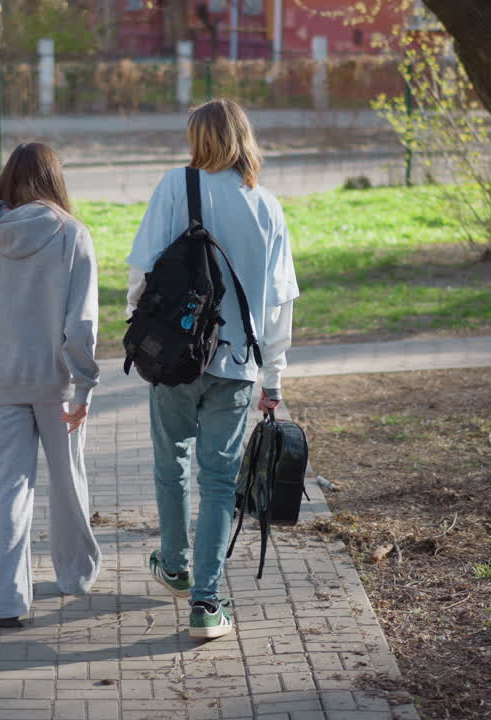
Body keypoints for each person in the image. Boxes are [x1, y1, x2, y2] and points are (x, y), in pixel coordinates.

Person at [126, 99, 298, 639]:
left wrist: (143, 329)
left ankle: (175, 566)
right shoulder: (266, 206)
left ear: (197, 137)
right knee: (220, 481)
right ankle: (206, 602)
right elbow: (279, 305)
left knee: (170, 462)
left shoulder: (175, 187)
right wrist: (273, 379)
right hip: (237, 364)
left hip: (174, 357)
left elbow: (142, 272)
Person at [0, 142, 102, 629]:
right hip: (59, 387)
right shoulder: (72, 235)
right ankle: (75, 576)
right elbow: (82, 324)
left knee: (3, 494)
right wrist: (84, 387)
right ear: (55, 179)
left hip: (1, 387)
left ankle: (6, 601)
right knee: (68, 486)